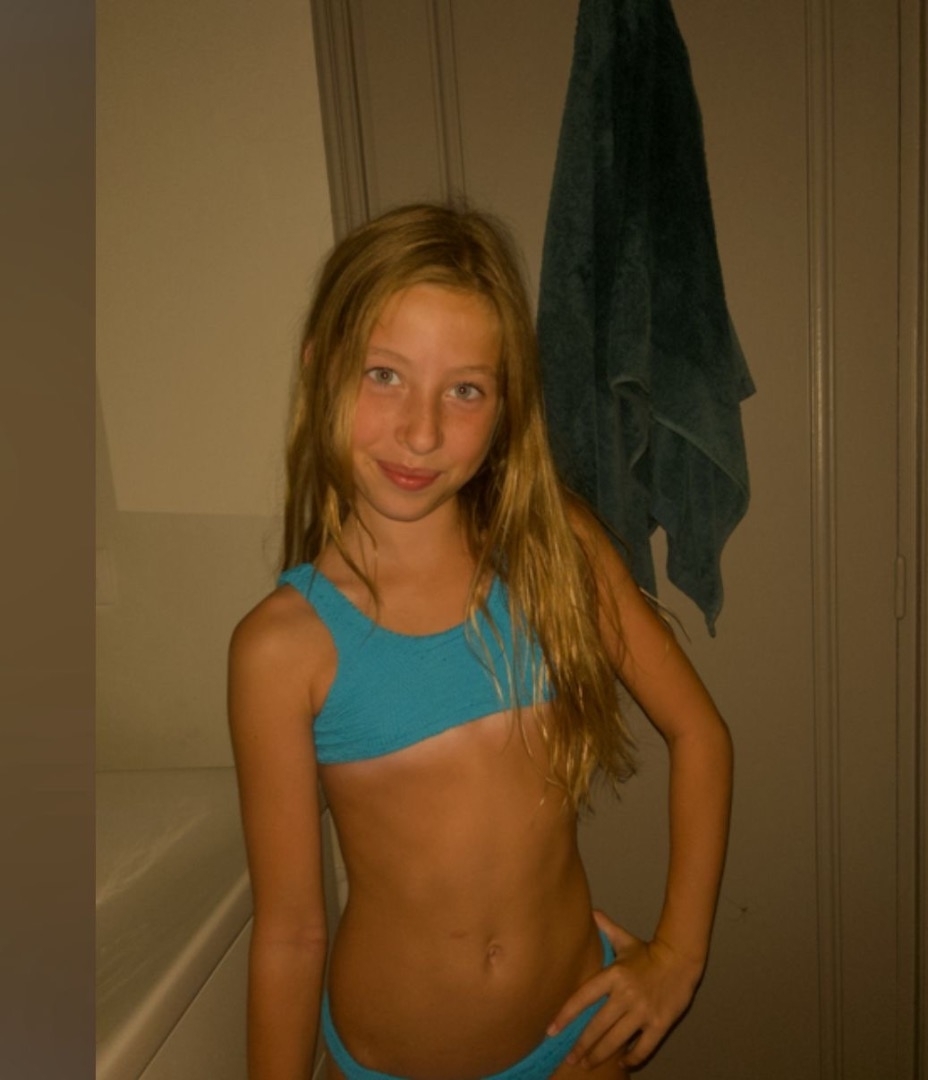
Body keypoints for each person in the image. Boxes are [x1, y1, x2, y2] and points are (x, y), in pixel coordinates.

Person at [228, 202, 733, 1080]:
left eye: (464, 390)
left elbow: (701, 734)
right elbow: (292, 933)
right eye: (384, 375)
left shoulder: (558, 552)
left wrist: (678, 958)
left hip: (578, 1045)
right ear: (320, 368)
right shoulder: (282, 649)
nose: (421, 431)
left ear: (505, 407)